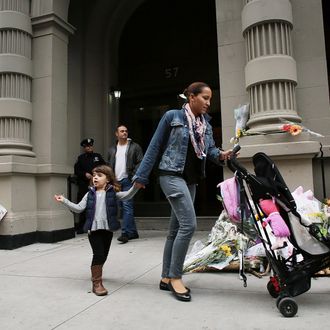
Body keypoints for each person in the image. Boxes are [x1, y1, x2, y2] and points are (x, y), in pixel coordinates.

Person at [133, 82, 233, 302]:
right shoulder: (172, 117)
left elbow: (210, 150)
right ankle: (175, 276)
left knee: (175, 229)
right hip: (170, 175)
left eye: (210, 99)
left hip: (191, 180)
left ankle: (165, 277)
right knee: (189, 225)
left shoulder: (204, 123)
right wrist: (141, 176)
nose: (208, 103)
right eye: (205, 98)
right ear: (191, 97)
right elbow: (155, 146)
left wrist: (222, 155)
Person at [54, 165, 139, 296]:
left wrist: (136, 187)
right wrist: (64, 200)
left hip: (107, 229)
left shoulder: (113, 193)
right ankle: (97, 283)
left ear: (108, 179)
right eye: (94, 175)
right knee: (98, 254)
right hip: (93, 230)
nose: (95, 178)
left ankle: (96, 272)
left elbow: (127, 196)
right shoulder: (89, 194)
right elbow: (78, 208)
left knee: (104, 255)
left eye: (99, 175)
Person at [108, 125, 143, 243]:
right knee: (122, 207)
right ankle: (133, 232)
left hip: (128, 180)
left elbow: (140, 162)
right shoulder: (112, 149)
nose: (124, 133)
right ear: (116, 134)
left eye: (126, 131)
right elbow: (109, 165)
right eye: (122, 131)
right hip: (116, 181)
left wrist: (134, 176)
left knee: (127, 206)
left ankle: (125, 233)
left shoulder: (134, 147)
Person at [74, 138, 106, 233]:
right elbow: (77, 171)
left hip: (97, 185)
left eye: (90, 145)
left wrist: (98, 175)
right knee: (83, 205)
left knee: (98, 204)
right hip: (84, 185)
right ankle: (82, 226)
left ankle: (97, 225)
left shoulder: (98, 157)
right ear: (84, 148)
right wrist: (85, 174)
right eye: (87, 146)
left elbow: (105, 168)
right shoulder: (81, 158)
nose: (89, 147)